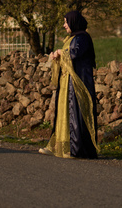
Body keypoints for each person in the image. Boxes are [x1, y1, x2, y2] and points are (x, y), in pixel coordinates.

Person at [40, 10, 98, 159]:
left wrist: (60, 52)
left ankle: (76, 149)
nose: (64, 25)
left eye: (66, 22)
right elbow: (68, 56)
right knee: (64, 114)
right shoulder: (71, 38)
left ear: (73, 22)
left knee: (76, 115)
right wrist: (56, 57)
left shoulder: (82, 38)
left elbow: (74, 54)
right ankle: (60, 146)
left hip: (78, 83)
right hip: (67, 83)